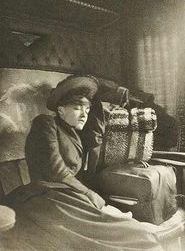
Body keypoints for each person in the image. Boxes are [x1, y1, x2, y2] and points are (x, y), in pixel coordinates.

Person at [1, 74, 164, 251]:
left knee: (132, 233)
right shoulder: (45, 123)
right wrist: (88, 193)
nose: (84, 114)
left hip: (67, 196)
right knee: (117, 238)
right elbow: (55, 171)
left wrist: (101, 99)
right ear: (61, 110)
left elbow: (96, 134)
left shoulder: (74, 134)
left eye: (86, 109)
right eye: (77, 108)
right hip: (43, 197)